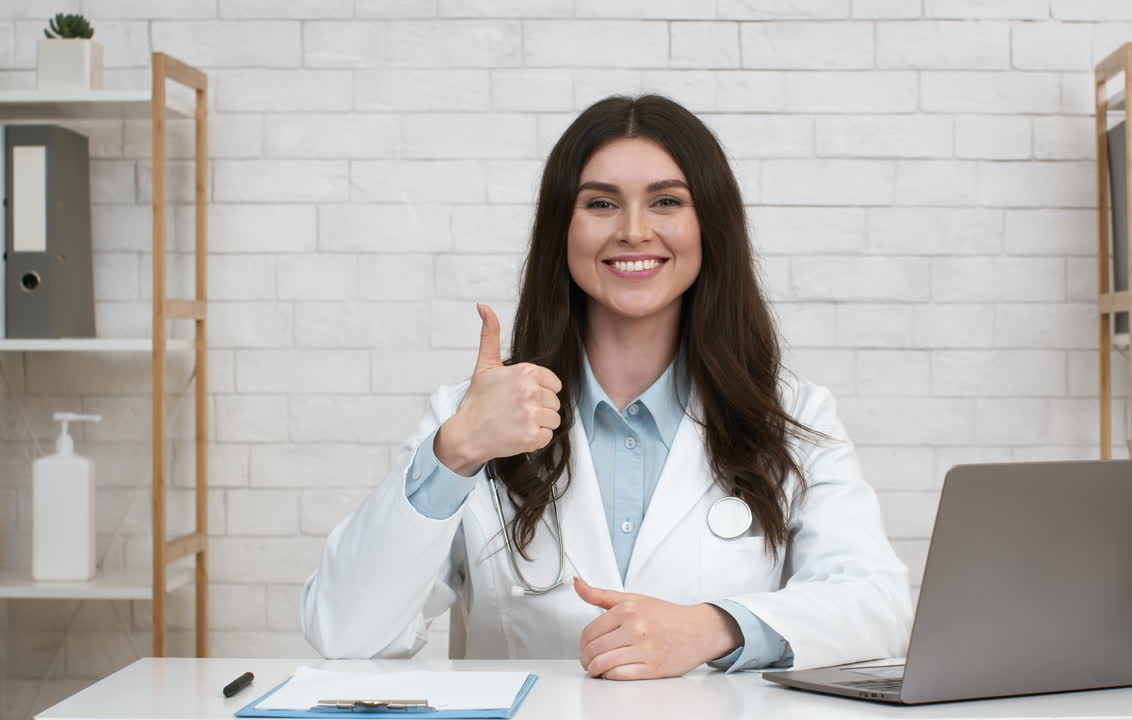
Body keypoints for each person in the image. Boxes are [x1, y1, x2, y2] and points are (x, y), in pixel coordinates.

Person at [301, 94, 911, 680]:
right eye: (601, 204)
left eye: (667, 201)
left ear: (711, 225)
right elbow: (346, 635)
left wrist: (716, 628)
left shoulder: (792, 413)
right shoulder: (473, 418)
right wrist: (456, 452)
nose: (634, 231)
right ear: (561, 229)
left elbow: (877, 605)